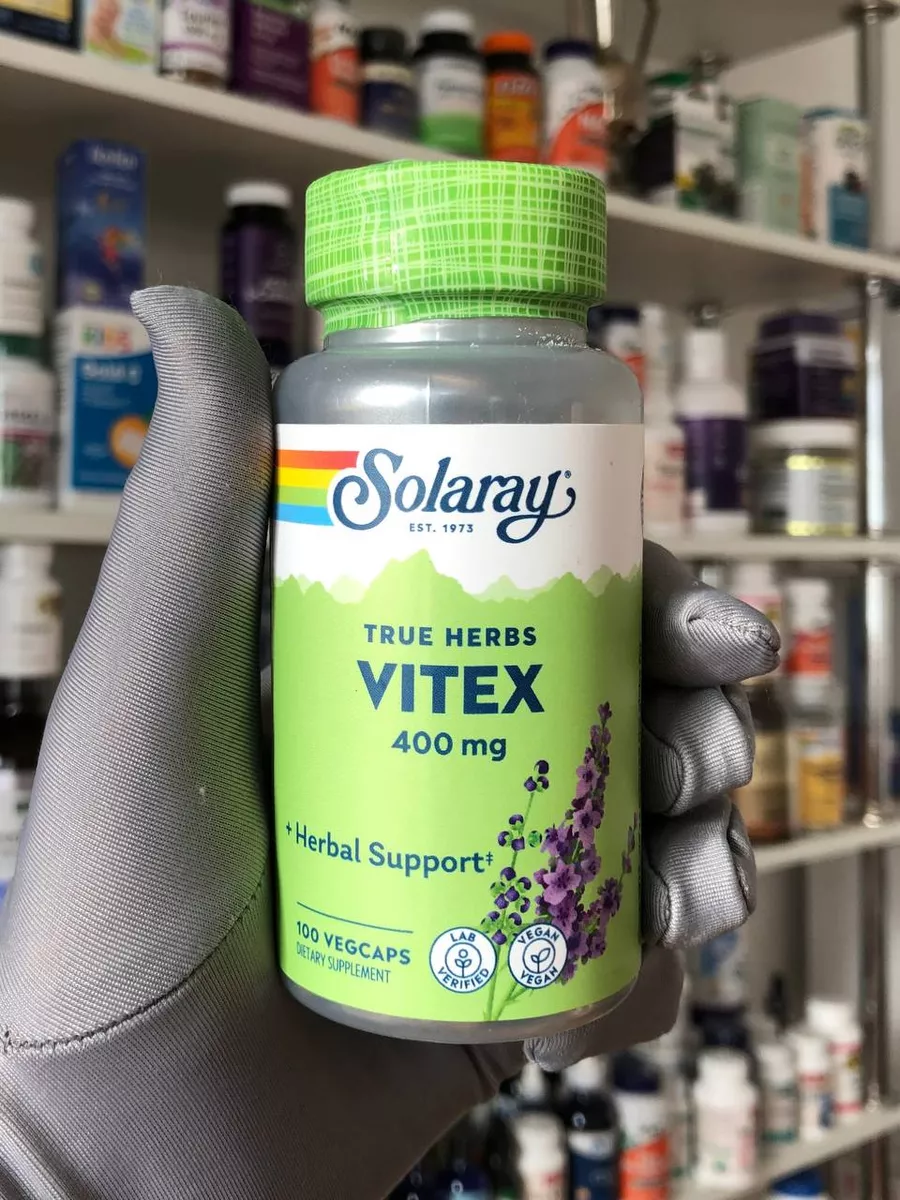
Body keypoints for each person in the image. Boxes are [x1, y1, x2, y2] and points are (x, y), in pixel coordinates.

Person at [0, 289, 777, 1199]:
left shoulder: (590, 392)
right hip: (306, 957)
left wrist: (58, 1165)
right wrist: (60, 1144)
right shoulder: (335, 399)